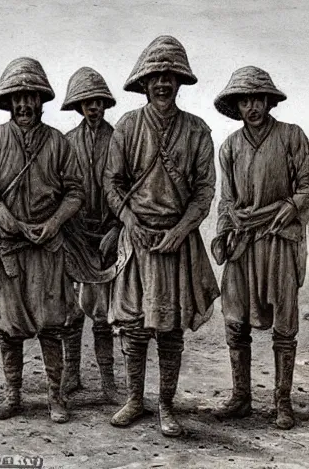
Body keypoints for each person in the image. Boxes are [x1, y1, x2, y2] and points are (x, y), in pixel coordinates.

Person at [104, 35, 220, 437]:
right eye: (155, 76)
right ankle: (135, 399)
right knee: (134, 327)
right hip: (136, 241)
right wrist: (129, 221)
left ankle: (166, 405)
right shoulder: (128, 127)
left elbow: (205, 190)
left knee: (169, 330)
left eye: (170, 76)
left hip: (177, 241)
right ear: (144, 82)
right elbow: (112, 181)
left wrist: (181, 229)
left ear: (180, 81)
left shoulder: (197, 130)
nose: (163, 83)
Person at [0, 57, 85, 423]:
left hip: (48, 249)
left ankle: (56, 397)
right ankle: (13, 396)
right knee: (8, 327)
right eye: (17, 98)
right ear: (8, 101)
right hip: (7, 247)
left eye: (30, 97)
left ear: (40, 100)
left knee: (51, 325)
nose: (24, 105)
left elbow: (75, 192)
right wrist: (12, 222)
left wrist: (53, 223)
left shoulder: (57, 143)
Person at [212, 66, 309, 430]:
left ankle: (282, 402)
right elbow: (226, 201)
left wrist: (292, 207)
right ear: (236, 105)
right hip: (243, 243)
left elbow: (307, 185)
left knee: (284, 323)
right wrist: (224, 233)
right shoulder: (230, 147)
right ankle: (241, 397)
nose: (251, 106)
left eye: (257, 98)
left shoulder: (292, 136)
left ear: (269, 100)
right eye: (244, 100)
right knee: (235, 320)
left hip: (280, 240)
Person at [60, 67, 120, 403]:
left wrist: (116, 227)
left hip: (107, 237)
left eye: (97, 101)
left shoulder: (119, 138)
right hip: (75, 235)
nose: (92, 107)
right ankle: (71, 374)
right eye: (86, 102)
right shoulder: (67, 142)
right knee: (72, 311)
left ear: (105, 104)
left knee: (102, 313)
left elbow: (128, 187)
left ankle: (108, 382)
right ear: (79, 106)